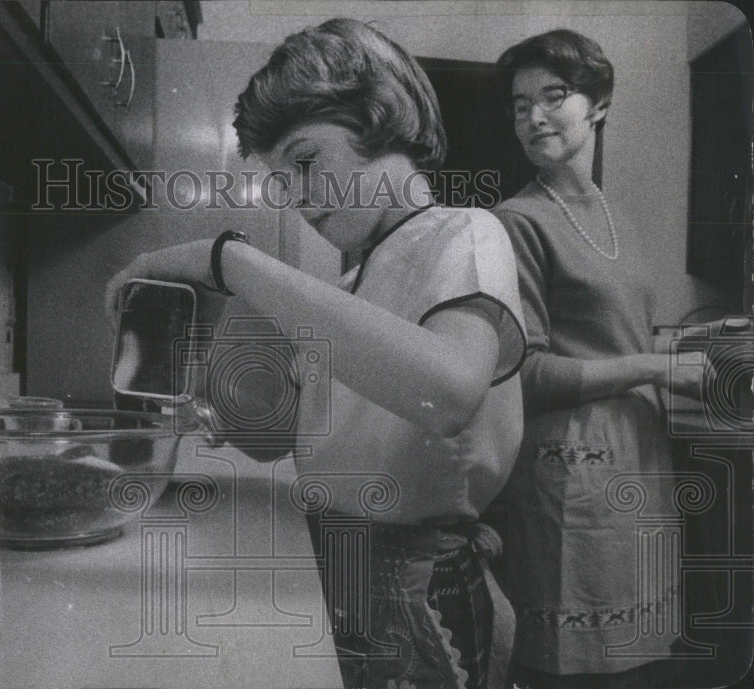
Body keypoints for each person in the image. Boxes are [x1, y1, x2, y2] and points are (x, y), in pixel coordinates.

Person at [106, 19, 527, 689]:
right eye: (282, 182)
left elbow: (448, 388)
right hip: (348, 570)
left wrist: (231, 262)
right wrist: (225, 324)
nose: (297, 198)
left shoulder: (468, 234)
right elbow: (273, 436)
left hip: (419, 591)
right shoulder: (351, 280)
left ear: (380, 115)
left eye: (306, 162)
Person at [491, 29, 709, 689]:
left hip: (638, 464)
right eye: (520, 103)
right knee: (580, 670)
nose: (532, 116)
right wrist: (656, 367)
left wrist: (686, 350)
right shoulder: (516, 221)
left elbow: (620, 335)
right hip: (568, 479)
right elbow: (524, 374)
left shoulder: (618, 216)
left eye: (553, 96)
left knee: (643, 664)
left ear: (599, 104)